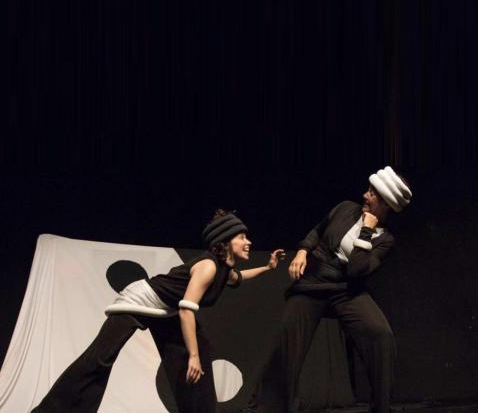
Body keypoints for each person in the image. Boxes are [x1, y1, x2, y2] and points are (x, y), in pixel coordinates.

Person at [31, 209, 285, 413]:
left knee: (197, 351)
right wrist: (193, 355)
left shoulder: (224, 270)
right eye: (242, 237)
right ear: (226, 241)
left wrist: (268, 268)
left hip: (165, 310)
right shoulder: (208, 267)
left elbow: (239, 277)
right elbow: (186, 311)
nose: (248, 242)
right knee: (100, 357)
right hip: (139, 300)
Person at [280, 166, 411, 413]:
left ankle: (381, 407)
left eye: (372, 193)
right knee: (288, 339)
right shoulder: (346, 208)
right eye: (368, 190)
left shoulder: (385, 240)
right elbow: (318, 230)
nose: (365, 195)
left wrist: (367, 230)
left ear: (385, 204)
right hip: (314, 280)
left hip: (346, 289)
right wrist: (302, 251)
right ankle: (276, 406)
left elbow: (357, 269)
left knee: (381, 335)